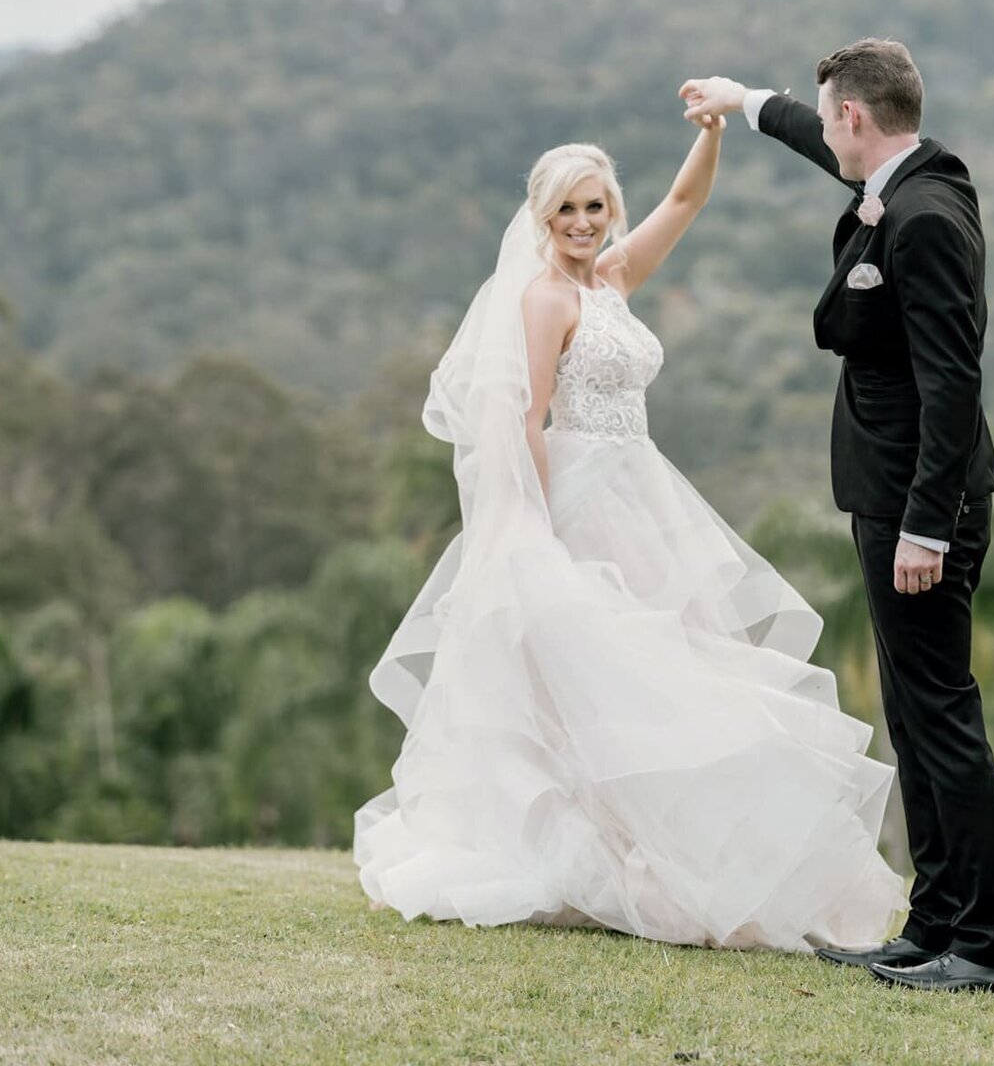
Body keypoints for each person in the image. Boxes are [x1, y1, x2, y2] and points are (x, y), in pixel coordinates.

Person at [353, 115, 905, 954]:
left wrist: (714, 127)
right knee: (602, 687)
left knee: (667, 679)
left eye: (597, 205)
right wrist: (533, 530)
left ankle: (674, 858)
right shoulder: (543, 297)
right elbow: (525, 416)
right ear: (542, 218)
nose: (584, 222)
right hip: (579, 500)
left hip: (642, 495)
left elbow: (685, 199)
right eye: (569, 209)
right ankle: (622, 862)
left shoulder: (611, 279)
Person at [679, 39, 994, 993]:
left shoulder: (921, 215)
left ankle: (989, 945)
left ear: (857, 120)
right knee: (916, 719)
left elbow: (955, 381)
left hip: (922, 505)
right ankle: (935, 924)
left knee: (944, 717)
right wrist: (744, 101)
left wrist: (927, 525)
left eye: (830, 118)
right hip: (889, 495)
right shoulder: (909, 175)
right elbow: (807, 135)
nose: (826, 133)